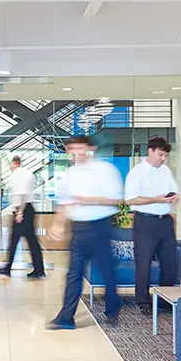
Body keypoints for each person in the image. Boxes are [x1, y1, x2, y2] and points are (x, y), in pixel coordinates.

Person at [46, 135, 124, 330]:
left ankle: (112, 310)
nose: (76, 153)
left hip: (100, 227)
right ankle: (66, 317)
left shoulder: (106, 170)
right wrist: (57, 223)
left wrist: (88, 200)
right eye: (72, 149)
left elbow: (115, 200)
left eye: (80, 148)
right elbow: (65, 202)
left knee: (107, 271)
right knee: (74, 274)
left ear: (91, 149)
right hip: (79, 229)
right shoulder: (71, 172)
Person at [125, 136, 180, 309]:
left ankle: (166, 300)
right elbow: (130, 200)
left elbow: (174, 191)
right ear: (150, 151)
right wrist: (154, 199)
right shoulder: (137, 172)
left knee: (170, 262)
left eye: (165, 156)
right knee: (144, 263)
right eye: (160, 155)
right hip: (145, 222)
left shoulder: (165, 171)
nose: (163, 159)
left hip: (165, 222)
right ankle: (143, 301)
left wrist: (174, 197)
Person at [0, 155, 46, 280]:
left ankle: (8, 268)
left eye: (11, 165)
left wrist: (19, 213)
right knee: (31, 242)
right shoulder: (28, 173)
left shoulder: (18, 175)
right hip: (28, 209)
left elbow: (22, 194)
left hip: (22, 210)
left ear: (15, 163)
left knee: (15, 241)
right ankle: (39, 270)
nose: (11, 167)